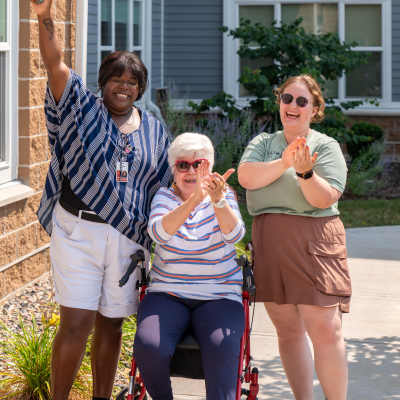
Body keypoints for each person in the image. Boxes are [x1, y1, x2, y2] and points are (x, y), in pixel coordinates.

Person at [31, 1, 171, 399]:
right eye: (116, 79)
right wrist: (45, 18)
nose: (123, 86)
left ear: (140, 89)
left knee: (112, 324)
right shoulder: (80, 107)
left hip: (127, 238)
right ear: (102, 81)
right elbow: (55, 64)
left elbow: (161, 186)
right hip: (78, 231)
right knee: (75, 323)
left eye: (132, 82)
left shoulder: (155, 130)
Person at [238, 75, 351, 400]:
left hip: (315, 244)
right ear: (279, 102)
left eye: (302, 101)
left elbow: (323, 198)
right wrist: (285, 161)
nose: (293, 106)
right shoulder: (263, 144)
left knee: (326, 330)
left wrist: (304, 172)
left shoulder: (325, 146)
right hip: (271, 244)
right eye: (288, 98)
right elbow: (247, 177)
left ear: (315, 109)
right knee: (287, 331)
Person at [134, 133, 246, 400]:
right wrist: (194, 199)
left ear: (209, 166)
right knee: (149, 346)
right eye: (183, 165)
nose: (191, 170)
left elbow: (235, 235)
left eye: (199, 164)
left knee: (224, 345)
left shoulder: (224, 195)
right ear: (174, 170)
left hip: (219, 294)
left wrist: (216, 200)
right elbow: (159, 233)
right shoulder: (164, 197)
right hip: (168, 292)